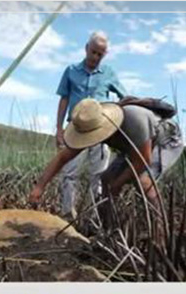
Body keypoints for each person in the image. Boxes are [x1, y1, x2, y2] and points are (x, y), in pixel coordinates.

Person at [29, 98, 183, 226]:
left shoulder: (134, 119)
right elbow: (62, 158)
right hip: (133, 147)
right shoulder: (88, 124)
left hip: (165, 140)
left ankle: (160, 230)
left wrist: (119, 184)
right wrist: (39, 187)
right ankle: (107, 227)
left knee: (144, 182)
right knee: (106, 179)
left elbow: (143, 160)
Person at [55, 31, 127, 219]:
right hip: (75, 130)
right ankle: (68, 215)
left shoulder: (109, 73)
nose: (95, 57)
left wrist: (117, 119)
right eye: (93, 52)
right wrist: (58, 129)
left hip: (100, 131)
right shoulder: (71, 70)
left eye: (100, 54)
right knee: (69, 173)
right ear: (86, 48)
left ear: (104, 55)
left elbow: (123, 97)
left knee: (99, 175)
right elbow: (64, 99)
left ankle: (94, 218)